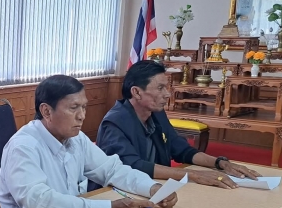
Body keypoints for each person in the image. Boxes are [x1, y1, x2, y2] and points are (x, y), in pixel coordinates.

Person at [0, 75, 177, 208]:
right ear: (47, 111)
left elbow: (112, 170)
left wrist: (152, 187)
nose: (82, 116)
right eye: (74, 108)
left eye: (84, 107)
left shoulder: (77, 139)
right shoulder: (23, 146)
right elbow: (36, 201)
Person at [96, 61, 261, 188]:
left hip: (156, 187)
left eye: (166, 87)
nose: (167, 94)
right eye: (160, 88)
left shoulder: (156, 113)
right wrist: (192, 174)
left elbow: (181, 150)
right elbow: (132, 166)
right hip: (122, 192)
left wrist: (220, 163)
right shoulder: (115, 122)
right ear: (136, 92)